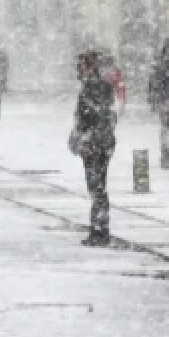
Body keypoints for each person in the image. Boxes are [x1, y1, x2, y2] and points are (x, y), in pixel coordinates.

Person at [70, 50, 117, 246]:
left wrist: (83, 136)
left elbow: (91, 117)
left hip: (95, 144)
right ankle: (99, 228)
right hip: (100, 143)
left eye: (81, 66)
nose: (78, 71)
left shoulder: (92, 88)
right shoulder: (99, 87)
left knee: (96, 187)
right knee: (98, 186)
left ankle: (99, 230)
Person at [149, 39, 169, 178]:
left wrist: (155, 100)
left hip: (167, 102)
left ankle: (168, 157)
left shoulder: (161, 64)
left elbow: (154, 83)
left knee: (168, 131)